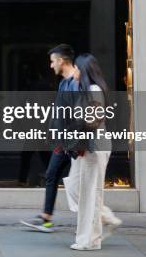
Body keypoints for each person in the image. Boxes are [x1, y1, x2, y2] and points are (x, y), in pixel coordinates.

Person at [20, 44, 78, 232]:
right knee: (51, 174)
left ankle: (101, 217)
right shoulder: (62, 83)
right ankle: (46, 218)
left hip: (77, 143)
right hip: (63, 142)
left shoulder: (78, 83)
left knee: (80, 185)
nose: (50, 65)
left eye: (52, 61)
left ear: (61, 61)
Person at [68, 53, 121, 251]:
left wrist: (71, 125)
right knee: (84, 193)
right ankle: (87, 238)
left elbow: (93, 120)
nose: (73, 71)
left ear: (83, 70)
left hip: (94, 147)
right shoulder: (86, 90)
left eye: (75, 67)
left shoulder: (94, 90)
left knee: (91, 194)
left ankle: (90, 240)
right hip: (88, 147)